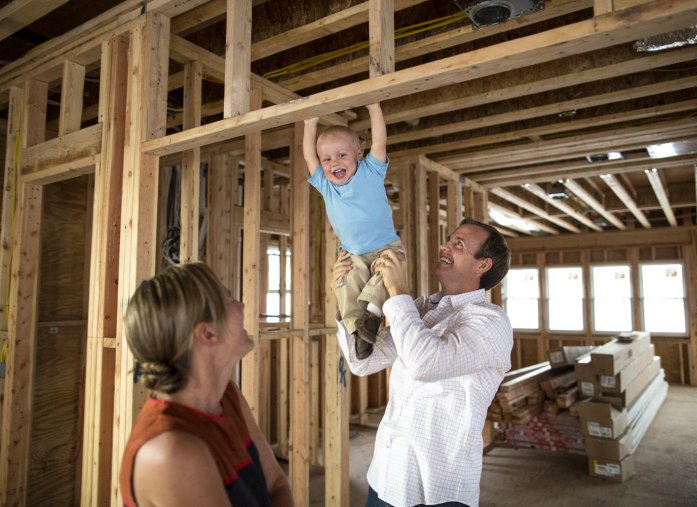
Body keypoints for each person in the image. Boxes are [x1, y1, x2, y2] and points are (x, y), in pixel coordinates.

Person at [332, 218, 513, 507]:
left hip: (437, 492)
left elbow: (424, 362)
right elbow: (364, 363)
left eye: (459, 244)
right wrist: (346, 301)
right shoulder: (420, 309)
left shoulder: (491, 322)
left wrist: (398, 289)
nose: (445, 246)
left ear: (483, 265)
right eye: (449, 239)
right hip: (385, 476)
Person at [119, 262, 294, 507]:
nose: (242, 306)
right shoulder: (172, 450)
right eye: (230, 298)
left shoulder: (228, 397)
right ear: (207, 334)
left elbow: (276, 484)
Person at [303, 102, 405, 360]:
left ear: (359, 153)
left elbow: (380, 142)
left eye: (341, 155)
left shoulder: (371, 172)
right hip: (353, 254)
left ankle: (372, 315)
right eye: (327, 159)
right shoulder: (326, 186)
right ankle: (356, 330)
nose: (333, 162)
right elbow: (308, 156)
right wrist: (309, 124)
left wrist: (374, 107)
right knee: (343, 283)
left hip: (385, 246)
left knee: (389, 272)